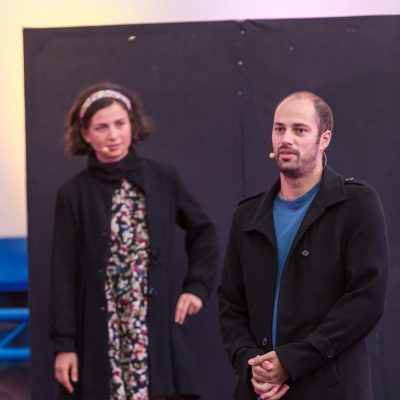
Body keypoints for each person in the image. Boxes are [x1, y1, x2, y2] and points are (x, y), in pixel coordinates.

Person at [49, 82, 218, 400]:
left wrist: (196, 286)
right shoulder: (72, 194)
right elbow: (62, 274)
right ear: (85, 134)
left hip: (152, 323)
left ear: (133, 125)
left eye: (120, 123)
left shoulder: (163, 178)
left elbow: (204, 232)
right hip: (101, 327)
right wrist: (64, 345)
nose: (113, 135)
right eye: (101, 127)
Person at [218, 91, 389, 400]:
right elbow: (231, 305)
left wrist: (292, 361)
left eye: (299, 130)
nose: (286, 139)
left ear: (324, 139)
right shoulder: (246, 215)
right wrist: (250, 365)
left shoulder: (358, 203)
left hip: (331, 390)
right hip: (258, 391)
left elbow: (366, 301)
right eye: (279, 128)